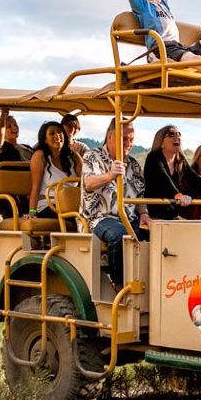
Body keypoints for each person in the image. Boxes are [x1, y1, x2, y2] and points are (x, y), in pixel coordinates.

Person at [83, 118, 150, 285]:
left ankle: (148, 283)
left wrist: (143, 214)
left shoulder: (133, 165)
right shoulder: (93, 156)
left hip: (128, 218)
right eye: (124, 139)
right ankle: (120, 285)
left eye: (131, 139)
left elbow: (140, 194)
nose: (129, 143)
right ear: (111, 137)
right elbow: (88, 182)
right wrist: (109, 176)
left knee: (154, 234)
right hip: (99, 217)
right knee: (120, 235)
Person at [143, 125, 201, 220]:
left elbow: (195, 180)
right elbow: (164, 180)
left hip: (172, 215)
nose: (177, 137)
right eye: (171, 135)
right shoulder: (154, 157)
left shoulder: (180, 160)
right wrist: (178, 195)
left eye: (179, 134)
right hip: (153, 216)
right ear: (161, 142)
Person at [24, 121, 80, 222]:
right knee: (78, 218)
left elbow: (87, 181)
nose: (57, 135)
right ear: (45, 139)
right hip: (48, 204)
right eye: (52, 133)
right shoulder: (40, 156)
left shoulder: (74, 157)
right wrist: (32, 212)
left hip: (73, 204)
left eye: (60, 132)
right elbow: (35, 187)